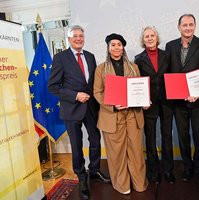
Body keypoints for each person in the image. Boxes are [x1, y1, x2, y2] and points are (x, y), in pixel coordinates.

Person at [48, 25, 110, 200]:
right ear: (69, 39)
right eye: (74, 36)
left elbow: (93, 83)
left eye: (81, 36)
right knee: (76, 146)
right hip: (71, 108)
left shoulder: (90, 56)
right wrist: (75, 95)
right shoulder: (60, 58)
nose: (78, 39)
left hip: (91, 108)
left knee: (95, 140)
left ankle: (95, 170)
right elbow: (53, 86)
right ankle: (82, 177)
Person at [94, 33, 148, 194]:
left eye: (119, 44)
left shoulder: (133, 67)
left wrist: (143, 100)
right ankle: (122, 185)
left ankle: (139, 183)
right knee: (116, 153)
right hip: (112, 116)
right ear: (108, 48)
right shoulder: (101, 69)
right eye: (113, 45)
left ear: (123, 47)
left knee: (136, 151)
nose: (116, 47)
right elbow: (97, 92)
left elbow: (139, 89)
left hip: (132, 114)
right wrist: (112, 104)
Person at [165, 14, 199, 184]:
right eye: (184, 25)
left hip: (197, 99)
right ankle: (187, 167)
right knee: (182, 135)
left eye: (191, 24)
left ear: (195, 26)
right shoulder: (170, 46)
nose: (188, 27)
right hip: (178, 100)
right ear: (179, 27)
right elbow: (168, 72)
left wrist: (198, 92)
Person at [134, 26, 175, 184]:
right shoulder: (138, 59)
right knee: (150, 139)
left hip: (167, 102)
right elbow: (137, 83)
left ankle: (168, 170)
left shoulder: (168, 55)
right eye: (146, 36)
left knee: (167, 137)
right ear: (143, 40)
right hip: (148, 104)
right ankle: (153, 171)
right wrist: (142, 99)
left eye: (152, 35)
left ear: (157, 38)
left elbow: (173, 76)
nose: (150, 38)